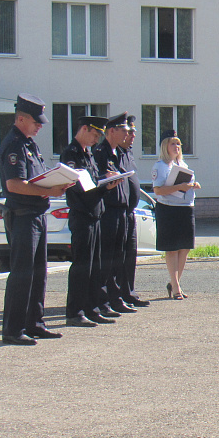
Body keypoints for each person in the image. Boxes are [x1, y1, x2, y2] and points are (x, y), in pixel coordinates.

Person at [0, 94, 73, 345]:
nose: (40, 125)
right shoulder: (14, 145)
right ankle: (13, 329)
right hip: (22, 216)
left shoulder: (29, 144)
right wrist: (48, 191)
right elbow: (15, 184)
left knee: (38, 273)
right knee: (22, 274)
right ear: (21, 118)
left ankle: (34, 323)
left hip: (36, 215)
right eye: (36, 121)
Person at [61, 115, 122, 327]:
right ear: (84, 129)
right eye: (95, 134)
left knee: (95, 266)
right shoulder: (72, 153)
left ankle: (91, 308)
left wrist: (106, 179)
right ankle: (75, 312)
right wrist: (104, 185)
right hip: (82, 215)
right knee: (82, 267)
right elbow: (81, 186)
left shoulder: (88, 153)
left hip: (96, 214)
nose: (97, 140)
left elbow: (94, 180)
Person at [152, 129, 200, 299]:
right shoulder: (160, 166)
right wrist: (179, 187)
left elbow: (185, 185)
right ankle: (176, 287)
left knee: (185, 248)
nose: (177, 146)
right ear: (165, 146)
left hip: (186, 208)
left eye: (178, 143)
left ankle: (174, 283)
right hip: (168, 209)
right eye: (173, 143)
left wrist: (193, 185)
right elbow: (158, 190)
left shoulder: (183, 166)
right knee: (172, 248)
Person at [94, 113, 134, 317]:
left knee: (119, 258)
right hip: (108, 210)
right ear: (112, 131)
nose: (127, 134)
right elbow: (97, 181)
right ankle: (103, 301)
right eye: (124, 130)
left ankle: (116, 298)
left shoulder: (117, 152)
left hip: (121, 210)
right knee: (106, 259)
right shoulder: (100, 152)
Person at [119, 116, 150, 308]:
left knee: (130, 256)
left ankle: (128, 292)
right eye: (129, 132)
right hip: (116, 212)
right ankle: (116, 296)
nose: (133, 135)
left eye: (133, 132)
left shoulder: (128, 153)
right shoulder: (113, 153)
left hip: (130, 212)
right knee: (118, 257)